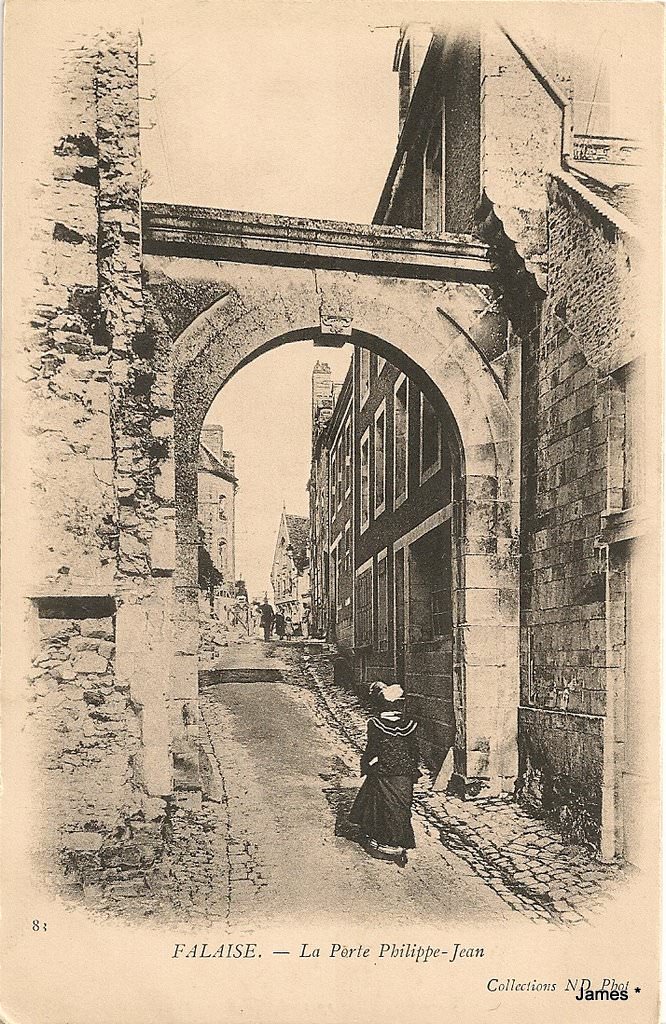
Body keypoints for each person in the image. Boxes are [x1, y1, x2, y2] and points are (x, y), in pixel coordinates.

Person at [348, 682, 419, 867]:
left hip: (385, 771)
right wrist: (413, 769)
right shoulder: (410, 724)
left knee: (381, 804)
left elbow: (372, 748)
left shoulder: (375, 724)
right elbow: (414, 751)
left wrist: (366, 764)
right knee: (401, 807)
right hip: (404, 773)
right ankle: (398, 845)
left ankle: (382, 843)